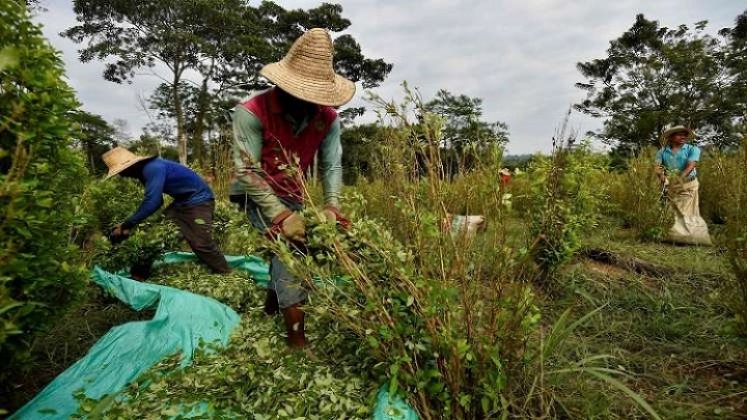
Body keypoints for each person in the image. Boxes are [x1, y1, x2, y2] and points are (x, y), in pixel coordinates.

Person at [228, 28, 354, 348]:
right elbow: (247, 171)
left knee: (307, 243)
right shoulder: (251, 113)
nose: (309, 103)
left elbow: (331, 165)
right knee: (291, 249)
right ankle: (297, 343)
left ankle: (273, 305)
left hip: (293, 193)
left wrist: (332, 206)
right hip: (254, 194)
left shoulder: (328, 119)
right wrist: (282, 217)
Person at [103, 147, 232, 274]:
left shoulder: (152, 168)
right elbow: (158, 201)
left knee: (201, 243)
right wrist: (127, 226)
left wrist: (127, 224)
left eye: (121, 171)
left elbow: (152, 202)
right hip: (182, 202)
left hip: (199, 201)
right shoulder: (144, 172)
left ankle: (226, 274)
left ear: (129, 167)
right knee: (156, 237)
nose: (121, 175)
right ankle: (138, 276)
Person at [654, 125, 712, 245]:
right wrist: (663, 178)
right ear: (670, 137)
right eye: (679, 134)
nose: (683, 137)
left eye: (684, 134)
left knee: (687, 212)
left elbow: (691, 166)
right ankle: (673, 237)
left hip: (688, 184)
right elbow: (657, 167)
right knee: (670, 211)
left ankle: (691, 239)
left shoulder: (692, 149)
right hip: (671, 186)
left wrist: (678, 179)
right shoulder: (662, 151)